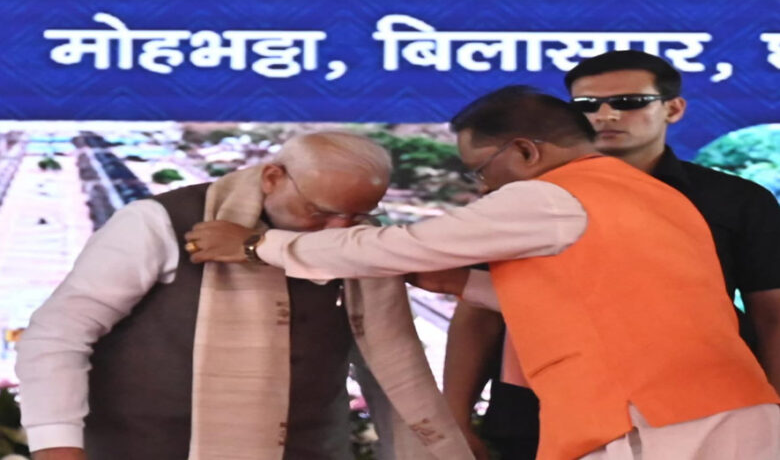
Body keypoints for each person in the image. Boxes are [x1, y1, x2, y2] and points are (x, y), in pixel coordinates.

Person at [185, 86, 780, 460]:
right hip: (732, 411)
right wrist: (461, 284)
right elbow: (603, 300)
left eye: (480, 170)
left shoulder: (549, 197)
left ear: (524, 152)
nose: (483, 187)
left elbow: (402, 246)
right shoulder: (654, 195)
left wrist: (259, 244)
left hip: (657, 424)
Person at [16, 131, 474, 460]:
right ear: (273, 177)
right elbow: (59, 335)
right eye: (320, 212)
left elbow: (386, 362)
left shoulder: (360, 244)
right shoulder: (159, 222)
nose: (338, 229)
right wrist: (56, 446)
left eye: (356, 216)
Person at [445, 50, 780, 459]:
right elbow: (478, 314)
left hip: (694, 412)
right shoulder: (522, 201)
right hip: (537, 409)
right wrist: (454, 416)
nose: (605, 115)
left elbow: (772, 315)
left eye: (629, 102)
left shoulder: (733, 200)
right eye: (587, 105)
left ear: (673, 109)